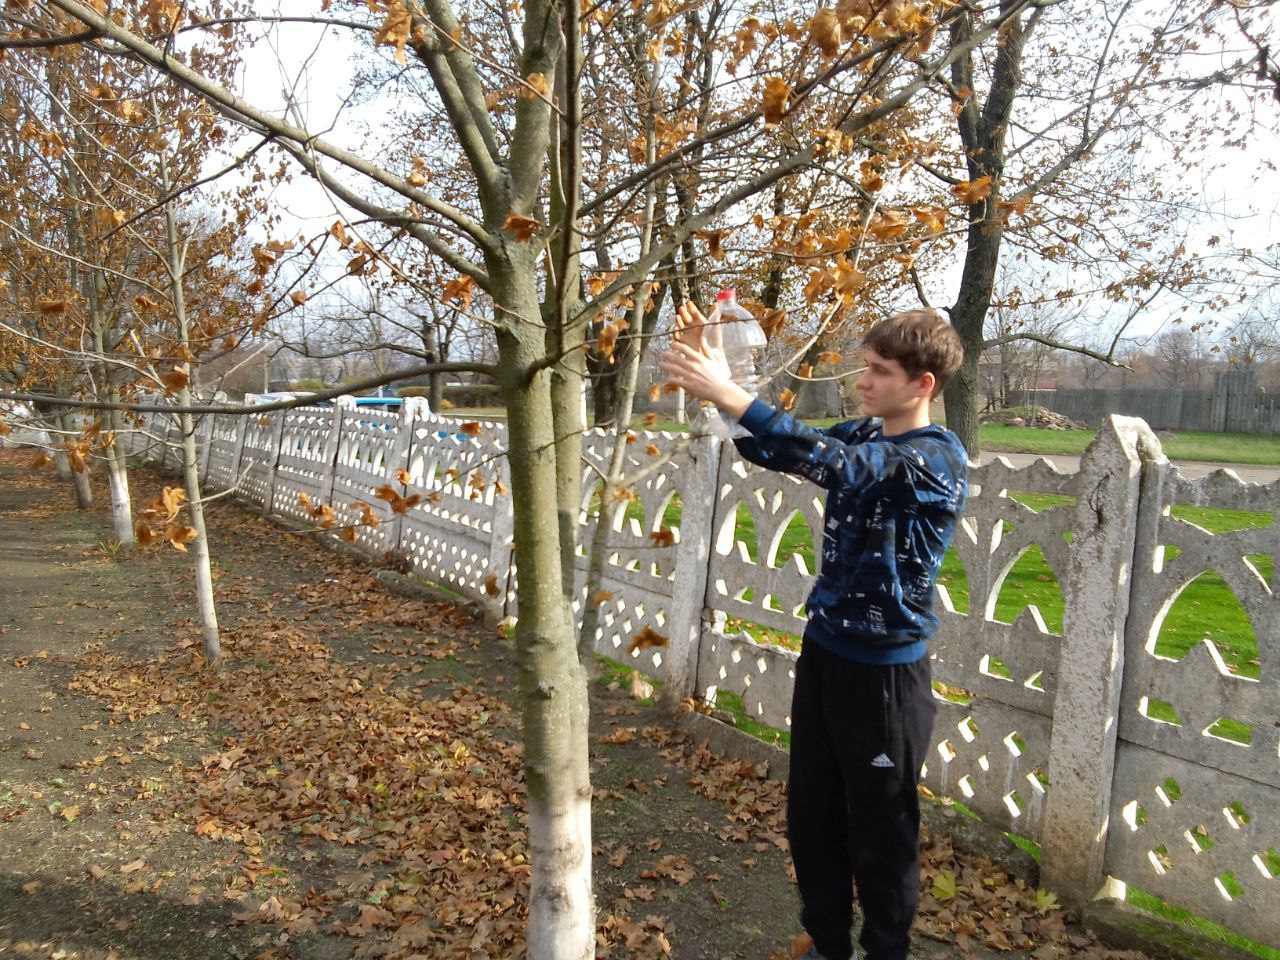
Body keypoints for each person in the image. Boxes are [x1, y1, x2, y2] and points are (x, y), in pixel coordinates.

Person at [659, 305, 968, 960]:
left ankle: (885, 951)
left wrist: (731, 391)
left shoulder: (935, 458)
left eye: (880, 372)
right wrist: (720, 381)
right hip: (825, 652)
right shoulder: (866, 431)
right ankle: (829, 944)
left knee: (881, 833)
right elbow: (775, 445)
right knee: (813, 814)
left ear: (923, 385)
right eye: (866, 365)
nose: (864, 380)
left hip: (885, 677)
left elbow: (835, 465)